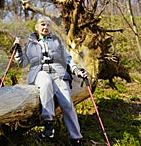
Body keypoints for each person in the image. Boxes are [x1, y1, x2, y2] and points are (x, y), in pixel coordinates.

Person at [13, 16, 88, 146]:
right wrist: (18, 50)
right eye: (42, 24)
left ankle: (76, 138)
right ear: (36, 27)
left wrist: (77, 71)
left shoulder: (57, 41)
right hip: (39, 74)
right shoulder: (30, 45)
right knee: (45, 79)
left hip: (59, 74)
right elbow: (22, 63)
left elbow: (68, 59)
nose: (45, 27)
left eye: (48, 25)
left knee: (67, 103)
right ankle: (48, 123)